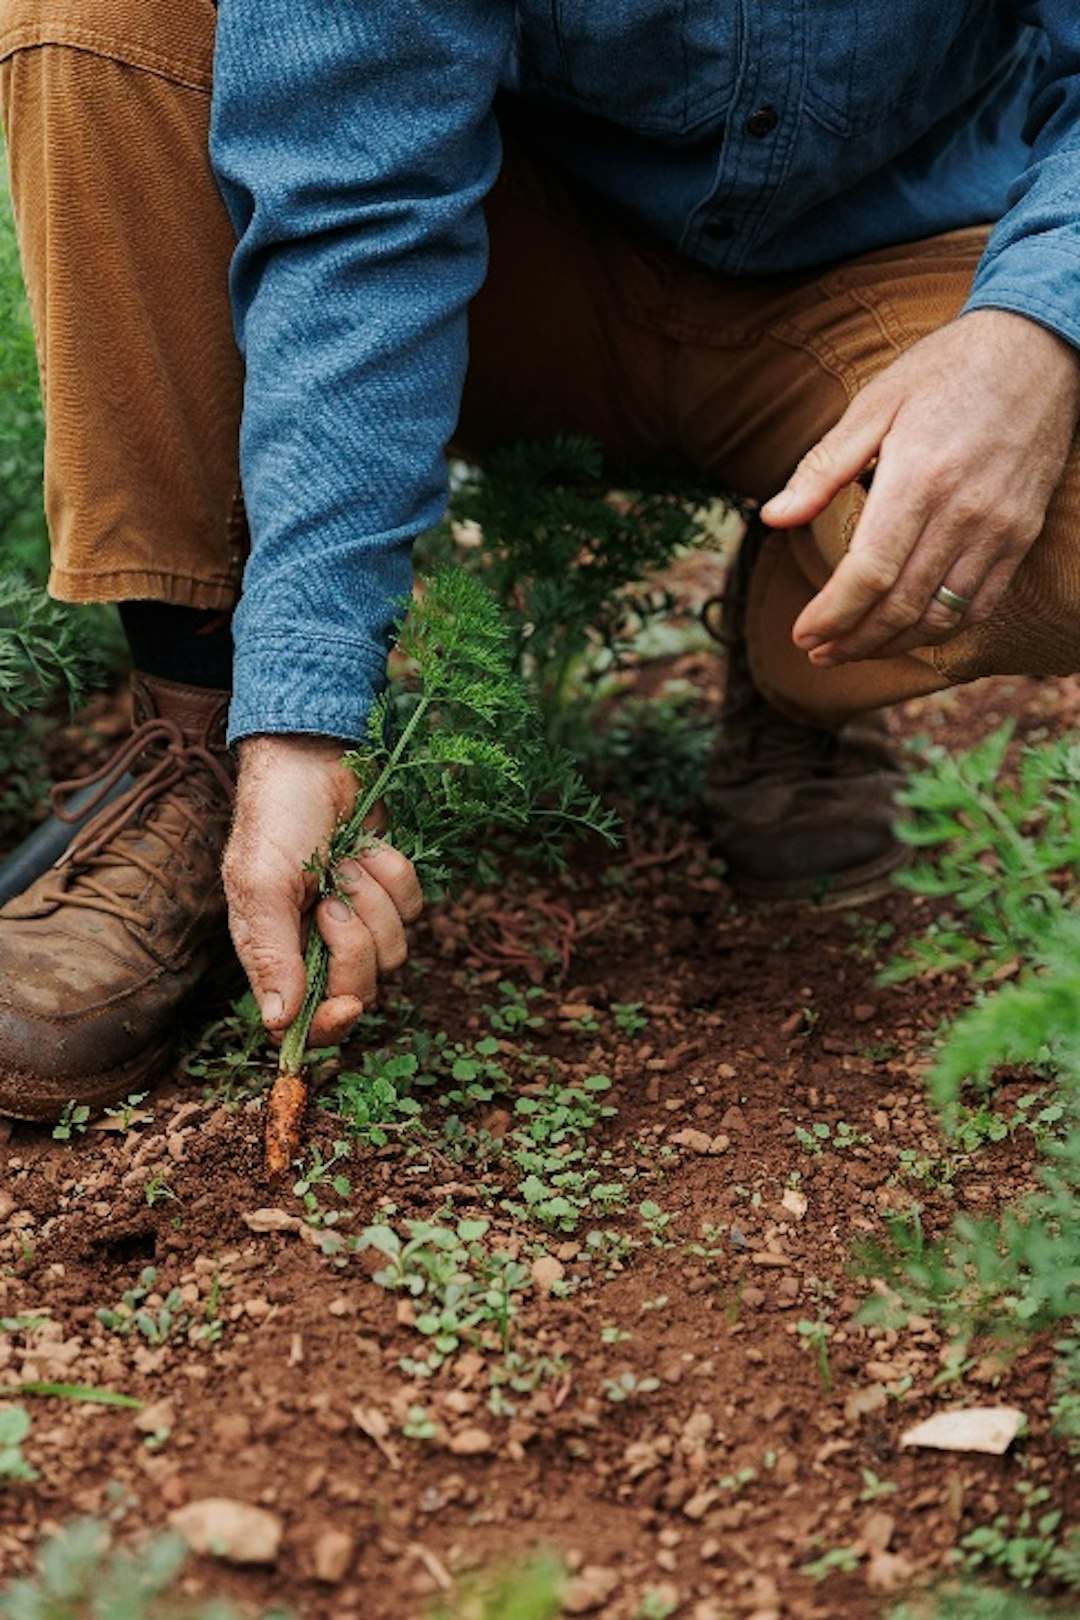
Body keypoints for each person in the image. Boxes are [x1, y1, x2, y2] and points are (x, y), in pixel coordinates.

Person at [1, 0, 1078, 1120]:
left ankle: (809, 618)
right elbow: (355, 193)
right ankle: (203, 744)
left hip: (903, 274)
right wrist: (299, 711)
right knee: (111, 14)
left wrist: (1040, 326)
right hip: (508, 263)